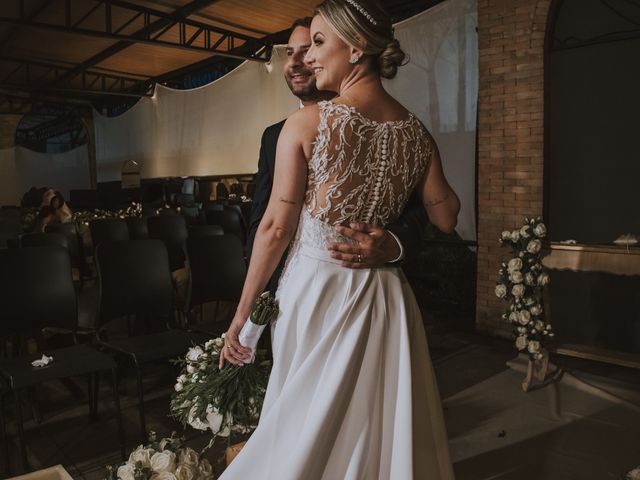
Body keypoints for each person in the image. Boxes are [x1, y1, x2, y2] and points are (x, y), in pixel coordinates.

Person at [220, 0, 460, 478]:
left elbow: (274, 228)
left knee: (306, 417)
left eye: (319, 44)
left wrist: (242, 316)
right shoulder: (417, 134)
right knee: (373, 420)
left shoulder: (307, 124)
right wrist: (389, 239)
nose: (308, 56)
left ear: (357, 49)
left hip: (317, 292)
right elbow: (447, 215)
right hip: (386, 296)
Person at [247, 16, 430, 295]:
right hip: (287, 292)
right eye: (290, 52)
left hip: (376, 286)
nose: (299, 60)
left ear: (348, 50)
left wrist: (395, 244)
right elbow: (263, 221)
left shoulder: (400, 129)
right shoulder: (273, 135)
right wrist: (254, 300)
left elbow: (421, 208)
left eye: (312, 46)